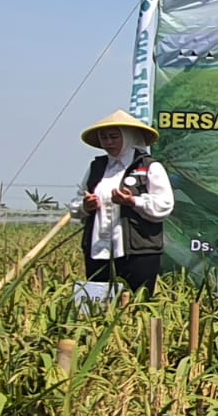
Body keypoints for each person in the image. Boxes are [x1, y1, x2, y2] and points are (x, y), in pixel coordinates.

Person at [71, 109, 174, 296]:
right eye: (104, 138)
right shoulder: (97, 167)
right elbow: (77, 203)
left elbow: (164, 204)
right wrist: (86, 206)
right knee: (98, 302)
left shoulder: (149, 166)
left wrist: (133, 201)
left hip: (138, 250)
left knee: (137, 303)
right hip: (99, 249)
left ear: (128, 137)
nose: (109, 143)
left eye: (114, 137)